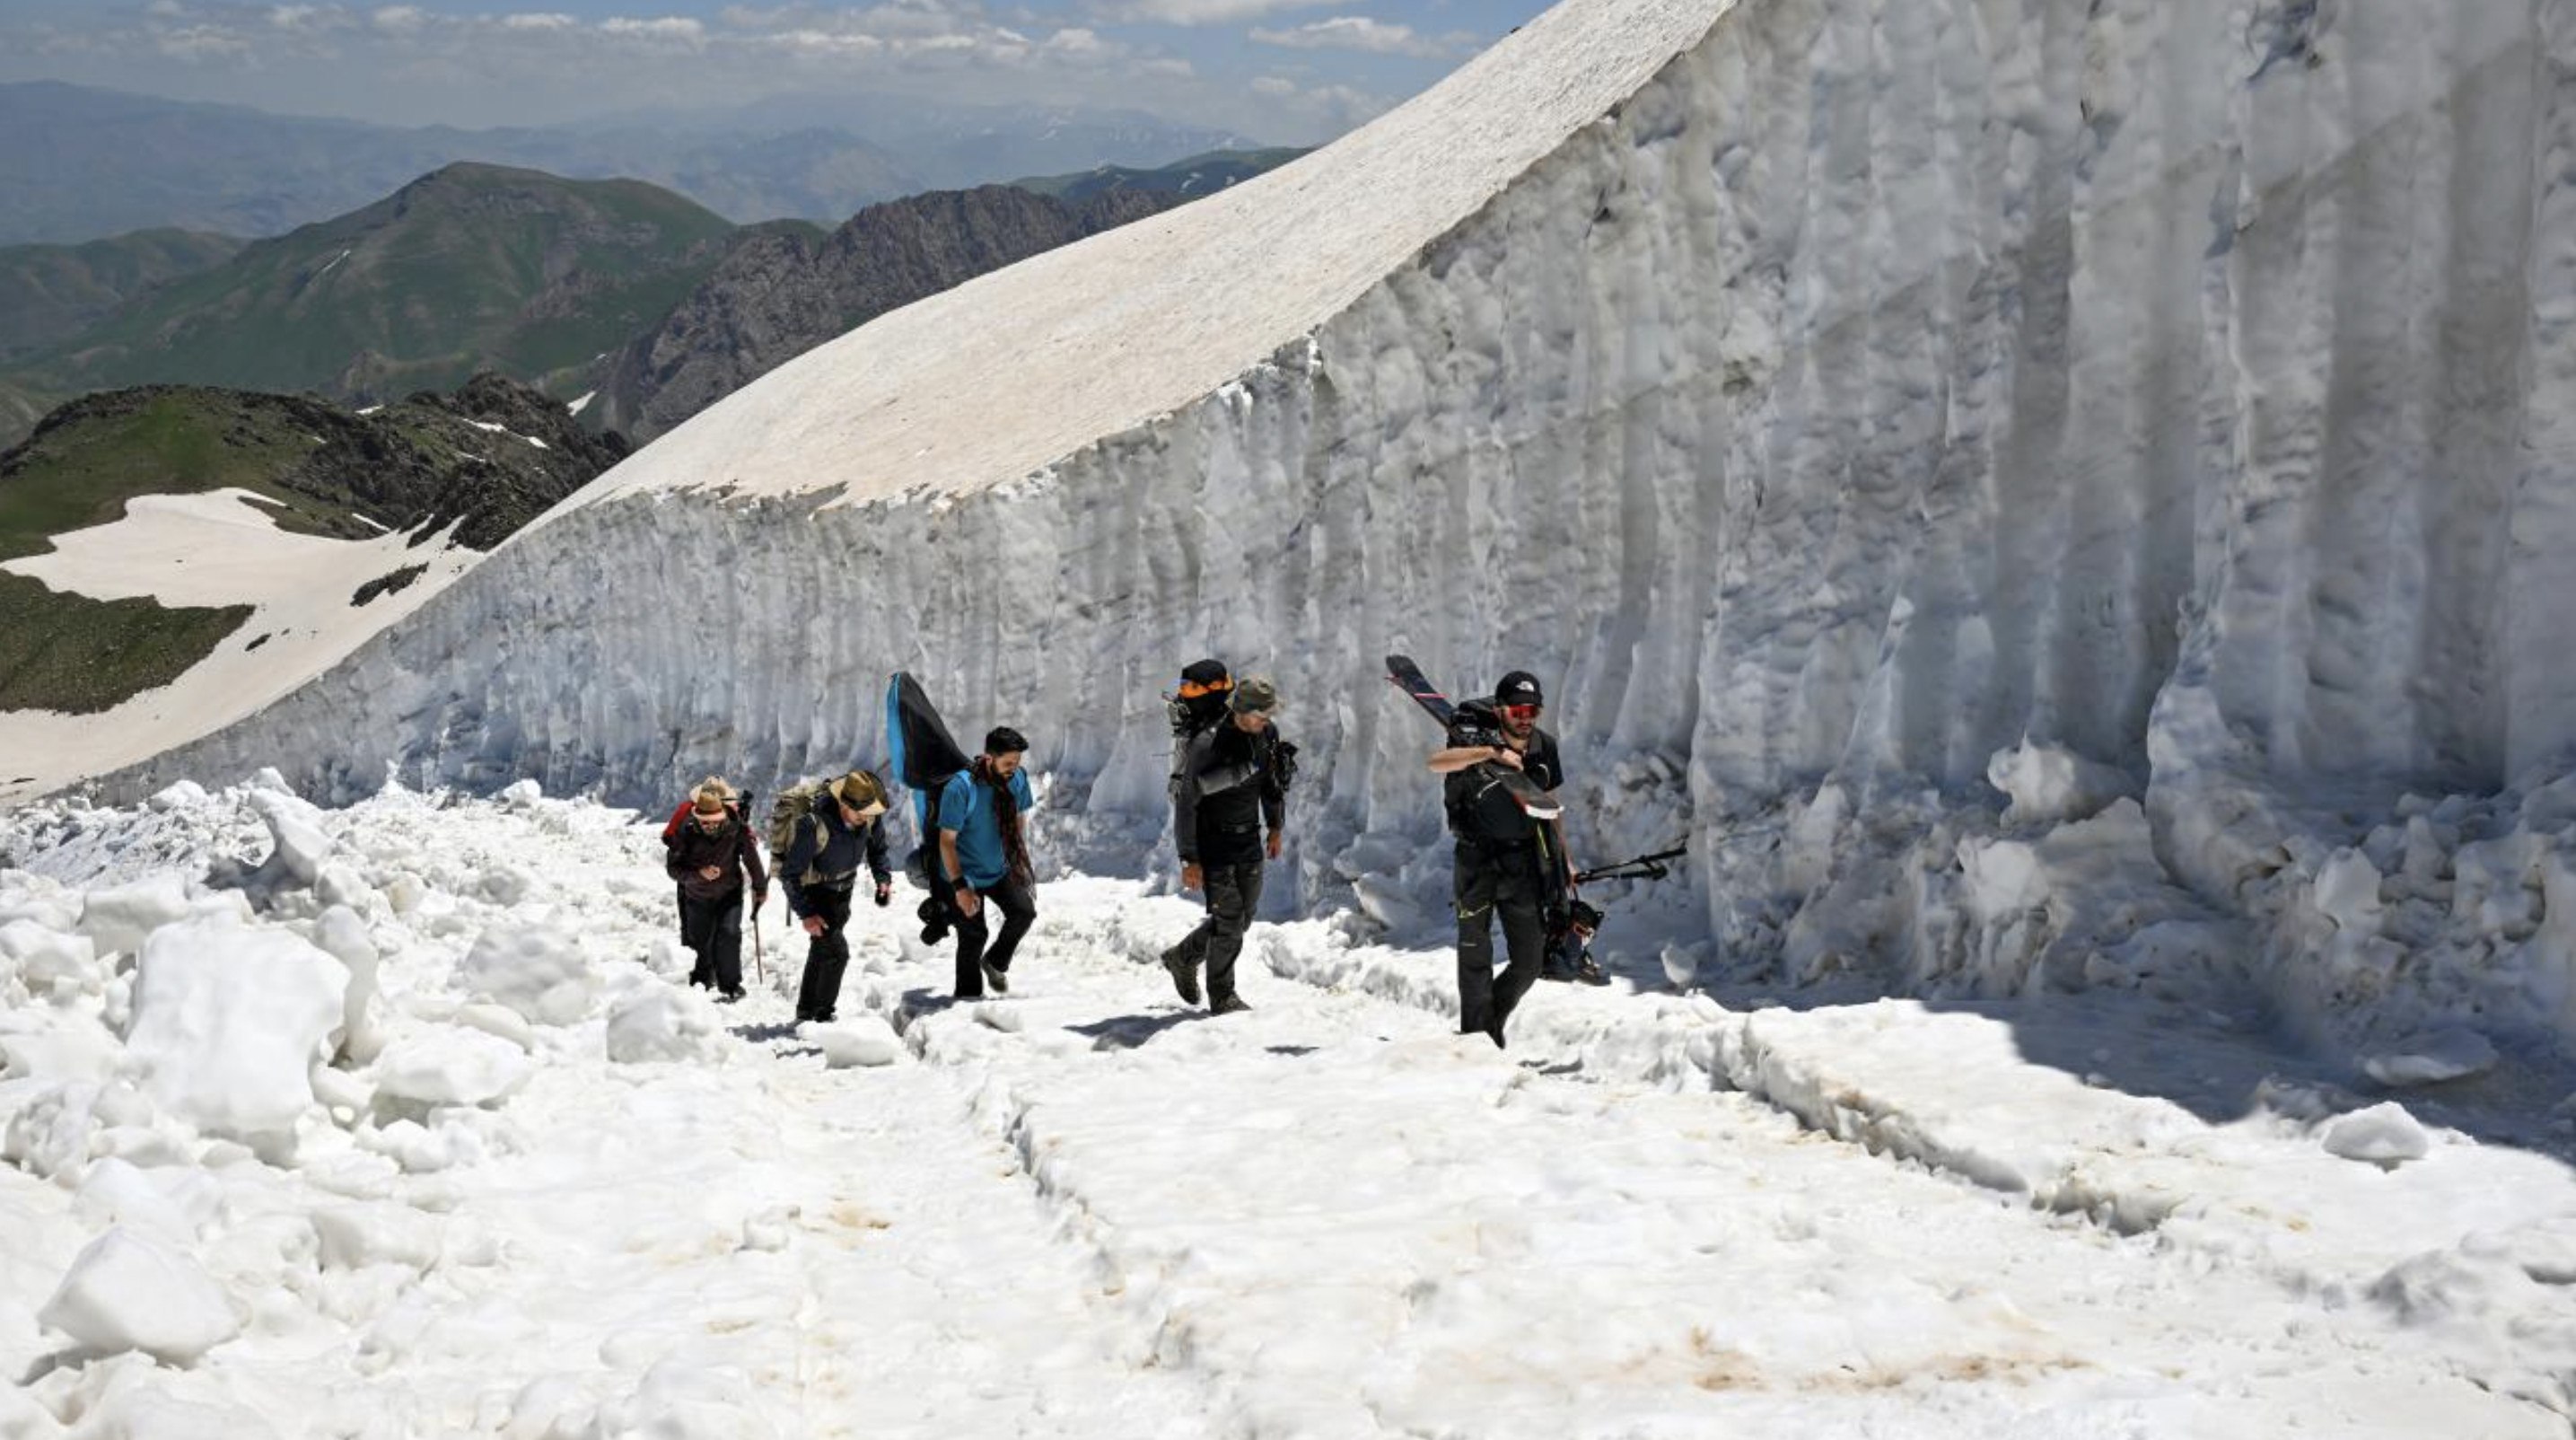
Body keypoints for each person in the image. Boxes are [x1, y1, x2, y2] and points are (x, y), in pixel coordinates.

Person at [1427, 670, 1570, 1048]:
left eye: (1533, 711)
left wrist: (1564, 862)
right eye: (1518, 710)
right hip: (1475, 860)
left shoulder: (1544, 749)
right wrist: (1491, 753)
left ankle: (1491, 1021)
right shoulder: (1473, 742)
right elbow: (1437, 763)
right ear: (1502, 709)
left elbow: (1551, 807)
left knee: (1530, 961)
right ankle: (1477, 1038)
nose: (1526, 718)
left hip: (1521, 862)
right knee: (1475, 952)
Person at [1162, 675, 1289, 1014]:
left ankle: (1182, 957)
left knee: (1242, 919)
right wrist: (1189, 858)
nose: (1267, 721)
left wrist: (1275, 825)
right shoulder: (1207, 743)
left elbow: (1271, 782)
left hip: (1248, 839)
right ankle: (1222, 996)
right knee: (1230, 920)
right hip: (1213, 843)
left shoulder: (1267, 735)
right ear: (1243, 711)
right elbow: (1187, 802)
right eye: (1262, 715)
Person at [781, 769, 894, 1024]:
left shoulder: (870, 818)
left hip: (845, 892)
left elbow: (878, 851)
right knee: (837, 953)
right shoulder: (814, 824)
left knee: (821, 950)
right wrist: (807, 913)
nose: (866, 818)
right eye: (860, 813)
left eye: (869, 813)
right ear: (844, 804)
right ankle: (823, 1014)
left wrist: (883, 880)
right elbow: (789, 875)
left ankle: (806, 1010)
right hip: (817, 893)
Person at [939, 727, 1038, 1000]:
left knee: (1024, 912)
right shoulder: (961, 788)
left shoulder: (1017, 778)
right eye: (1008, 763)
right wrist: (960, 887)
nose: (1013, 769)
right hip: (963, 872)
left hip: (998, 868)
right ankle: (967, 1001)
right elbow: (946, 841)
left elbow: (1018, 816)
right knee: (974, 935)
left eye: (1017, 762)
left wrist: (1017, 857)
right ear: (989, 758)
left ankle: (994, 962)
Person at [664, 777, 767, 1003]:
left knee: (729, 934)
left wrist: (761, 888)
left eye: (715, 821)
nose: (710, 825)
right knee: (700, 939)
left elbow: (751, 858)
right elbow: (673, 869)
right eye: (705, 822)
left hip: (729, 892)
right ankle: (702, 980)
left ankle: (730, 984)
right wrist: (697, 874)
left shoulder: (735, 826)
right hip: (696, 895)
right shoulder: (685, 829)